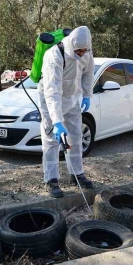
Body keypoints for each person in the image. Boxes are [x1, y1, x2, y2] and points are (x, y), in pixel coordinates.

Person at [39, 26, 94, 198]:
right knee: (51, 141)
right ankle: (52, 180)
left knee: (76, 137)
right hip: (50, 100)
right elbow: (52, 91)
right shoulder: (54, 55)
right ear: (71, 45)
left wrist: (87, 95)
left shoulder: (86, 52)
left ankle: (77, 174)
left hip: (72, 99)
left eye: (84, 50)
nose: (82, 53)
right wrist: (56, 121)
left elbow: (88, 74)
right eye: (79, 50)